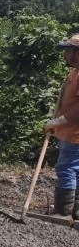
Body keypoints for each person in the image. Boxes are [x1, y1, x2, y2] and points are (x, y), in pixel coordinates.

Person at [45, 33, 79, 219]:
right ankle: (75, 212)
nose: (65, 55)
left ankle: (63, 212)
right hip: (68, 132)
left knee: (66, 168)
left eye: (68, 50)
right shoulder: (73, 74)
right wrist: (55, 122)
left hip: (75, 134)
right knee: (76, 170)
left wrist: (59, 121)